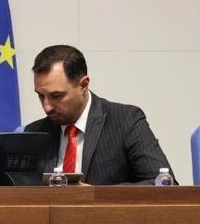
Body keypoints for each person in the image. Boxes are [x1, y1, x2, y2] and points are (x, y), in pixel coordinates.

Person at [24, 45, 175, 185]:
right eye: (41, 96)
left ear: (83, 85)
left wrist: (96, 195)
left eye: (56, 96)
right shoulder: (34, 134)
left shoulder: (126, 121)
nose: (47, 107)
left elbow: (163, 184)